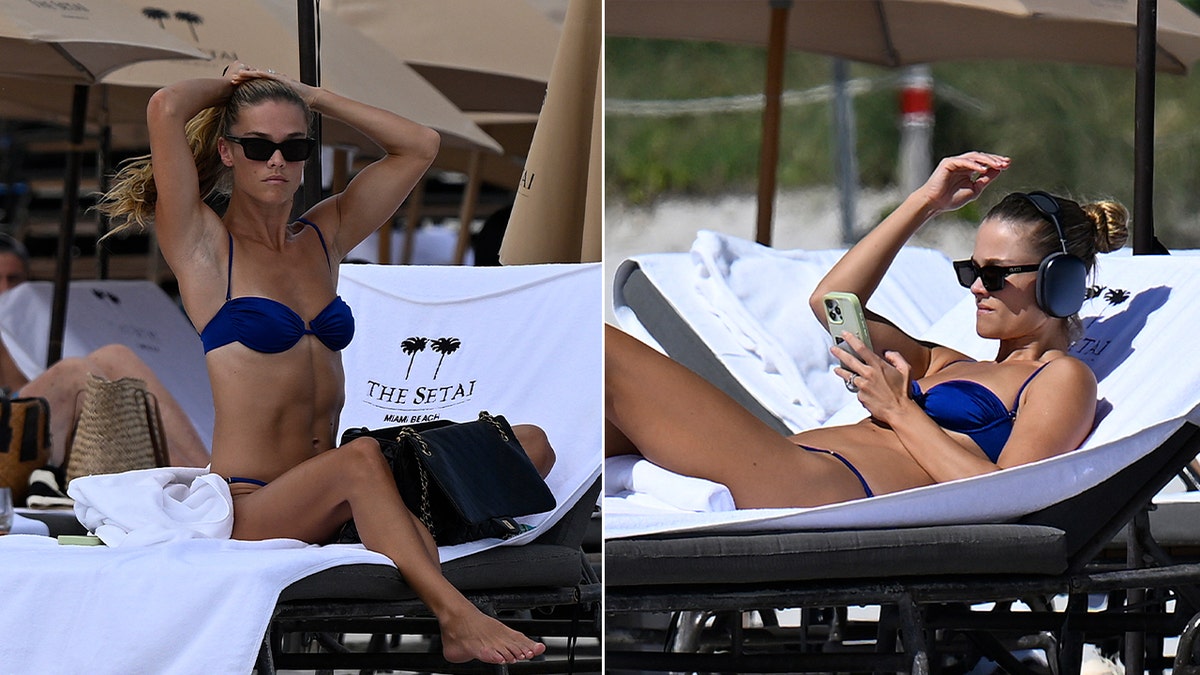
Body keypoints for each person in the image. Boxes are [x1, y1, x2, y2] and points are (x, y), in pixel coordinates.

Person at [96, 63, 554, 665]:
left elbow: (420, 145)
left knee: (529, 444)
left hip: (336, 489)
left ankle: (388, 525)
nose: (277, 162)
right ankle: (455, 616)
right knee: (360, 461)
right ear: (228, 152)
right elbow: (165, 107)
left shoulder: (323, 238)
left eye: (294, 146)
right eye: (258, 147)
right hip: (255, 503)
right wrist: (234, 83)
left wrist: (309, 96)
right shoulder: (205, 247)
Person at [606, 151, 1127, 508]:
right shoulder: (945, 362)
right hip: (790, 459)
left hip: (809, 484)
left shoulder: (1061, 379)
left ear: (1062, 283)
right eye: (970, 271)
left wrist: (897, 407)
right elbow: (833, 303)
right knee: (594, 419)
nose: (976, 289)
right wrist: (925, 201)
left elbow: (1011, 493)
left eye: (994, 274)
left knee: (601, 349)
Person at [0, 234, 210, 469]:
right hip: (7, 442)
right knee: (75, 373)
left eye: (14, 280)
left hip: (19, 424)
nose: (5, 289)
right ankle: (177, 473)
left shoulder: (23, 323)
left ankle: (207, 474)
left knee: (115, 355)